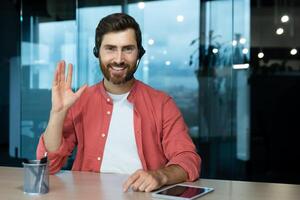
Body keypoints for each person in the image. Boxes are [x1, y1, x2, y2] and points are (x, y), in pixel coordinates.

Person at [36, 13, 201, 193]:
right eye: (110, 49)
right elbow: (49, 166)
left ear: (139, 53)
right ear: (97, 52)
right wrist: (57, 113)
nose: (119, 59)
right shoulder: (81, 101)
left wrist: (160, 175)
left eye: (128, 49)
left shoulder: (162, 103)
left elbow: (188, 159)